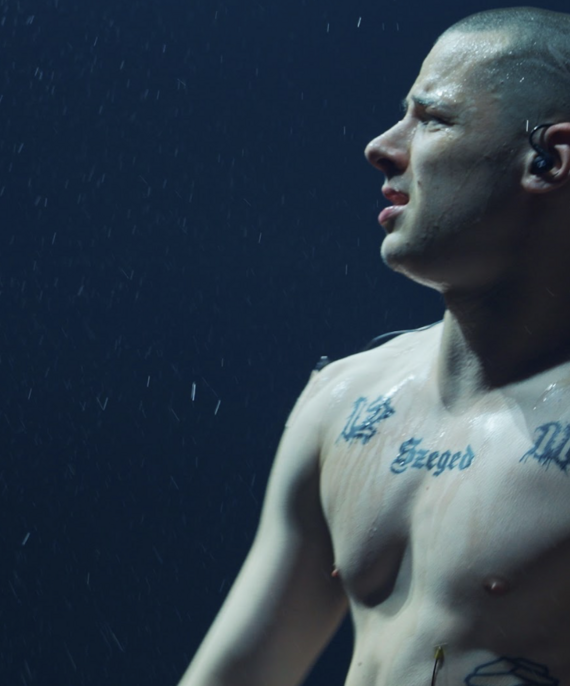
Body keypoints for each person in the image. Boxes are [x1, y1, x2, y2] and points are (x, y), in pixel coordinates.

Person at [178, 7, 570, 686]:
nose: (382, 147)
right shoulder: (343, 403)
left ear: (549, 159)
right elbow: (239, 674)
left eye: (433, 119)